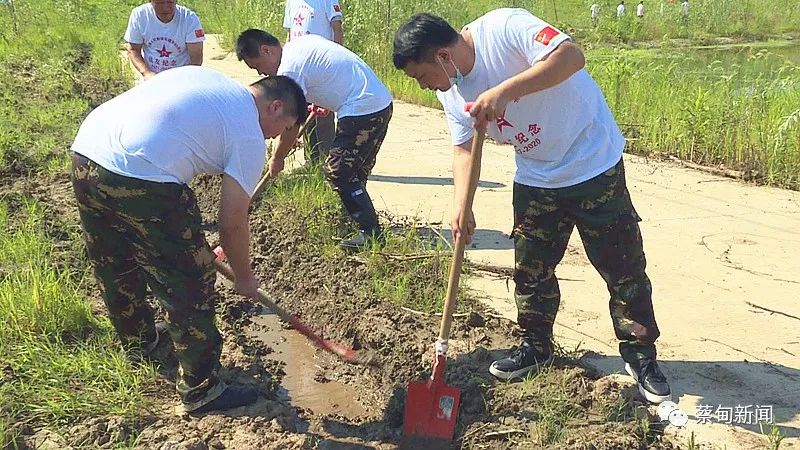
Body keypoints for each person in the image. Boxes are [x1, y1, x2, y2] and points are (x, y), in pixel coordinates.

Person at [392, 9, 671, 404]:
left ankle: (641, 356)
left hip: (592, 160)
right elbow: (463, 146)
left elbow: (572, 57)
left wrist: (507, 91)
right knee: (531, 269)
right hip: (537, 176)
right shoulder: (451, 92)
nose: (424, 87)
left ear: (442, 56)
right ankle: (536, 346)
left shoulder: (504, 28)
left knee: (622, 266)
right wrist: (462, 204)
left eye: (422, 76)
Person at [70, 65, 308, 413]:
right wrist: (244, 278)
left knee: (114, 258)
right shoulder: (247, 133)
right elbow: (231, 223)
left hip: (87, 154)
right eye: (283, 128)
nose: (274, 137)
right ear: (275, 107)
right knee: (189, 278)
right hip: (142, 176)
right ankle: (201, 389)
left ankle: (139, 342)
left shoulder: (212, 81)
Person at [236, 29, 393, 251]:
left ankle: (371, 234)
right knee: (354, 173)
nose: (262, 73)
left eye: (258, 66)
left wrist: (277, 158)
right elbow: (328, 74)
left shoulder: (289, 68)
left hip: (363, 108)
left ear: (266, 50)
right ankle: (360, 224)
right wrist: (324, 100)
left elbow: (290, 123)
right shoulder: (299, 45)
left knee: (338, 170)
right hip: (379, 103)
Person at [283, 0, 344, 163]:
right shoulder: (292, 2)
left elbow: (337, 29)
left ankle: (326, 160)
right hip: (300, 68)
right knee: (304, 111)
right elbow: (289, 33)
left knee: (323, 114)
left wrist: (336, 60)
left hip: (322, 66)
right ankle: (311, 160)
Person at [124, 0, 205, 81]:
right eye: (160, 2)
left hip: (182, 76)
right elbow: (133, 49)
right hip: (152, 77)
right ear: (150, 1)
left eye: (169, 2)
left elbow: (196, 58)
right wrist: (146, 73)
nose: (165, 7)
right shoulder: (139, 15)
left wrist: (185, 78)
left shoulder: (189, 19)